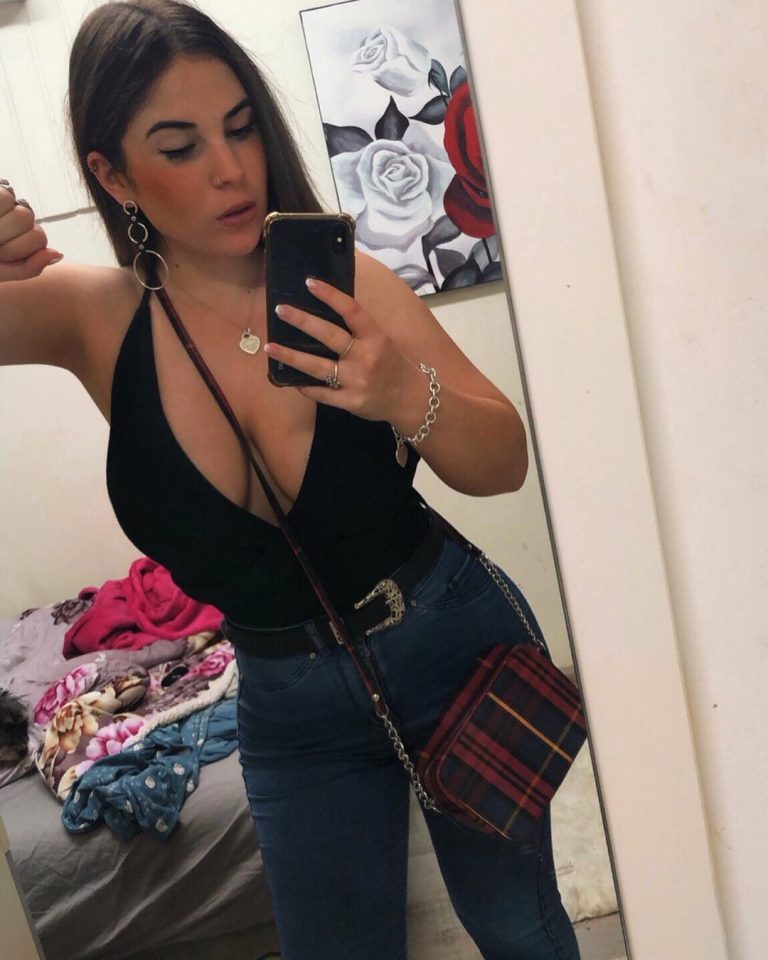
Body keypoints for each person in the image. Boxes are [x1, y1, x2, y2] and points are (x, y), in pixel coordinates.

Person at [0, 2, 580, 958]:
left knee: (518, 926)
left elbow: (504, 462)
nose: (231, 169)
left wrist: (402, 391)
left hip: (448, 641)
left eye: (240, 128)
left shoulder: (349, 284)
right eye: (180, 147)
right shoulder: (91, 318)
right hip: (288, 705)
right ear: (112, 175)